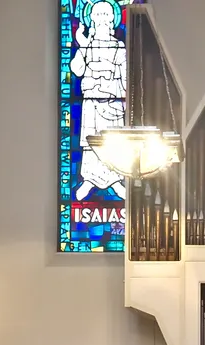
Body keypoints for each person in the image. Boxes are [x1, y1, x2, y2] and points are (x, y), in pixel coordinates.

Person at [70, 1, 127, 201]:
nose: (102, 19)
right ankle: (89, 180)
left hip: (111, 102)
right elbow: (76, 69)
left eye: (106, 15)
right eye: (98, 15)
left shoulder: (119, 47)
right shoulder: (87, 45)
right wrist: (83, 45)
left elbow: (126, 80)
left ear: (112, 19)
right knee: (90, 141)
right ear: (92, 19)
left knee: (112, 141)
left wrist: (110, 88)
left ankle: (114, 180)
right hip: (91, 103)